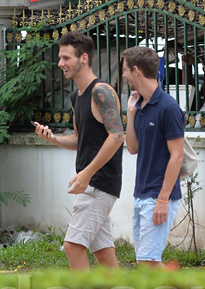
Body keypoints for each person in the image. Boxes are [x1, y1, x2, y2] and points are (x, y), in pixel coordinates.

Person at [33, 32, 124, 270]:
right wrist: (53, 139)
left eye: (66, 58)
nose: (60, 63)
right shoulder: (77, 96)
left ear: (83, 58)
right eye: (60, 58)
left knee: (73, 247)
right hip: (93, 183)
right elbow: (79, 139)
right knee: (104, 254)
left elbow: (117, 136)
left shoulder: (101, 91)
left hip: (99, 183)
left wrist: (87, 173)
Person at [123, 46, 184, 269]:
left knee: (148, 262)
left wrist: (162, 200)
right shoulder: (141, 106)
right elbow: (132, 148)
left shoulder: (169, 107)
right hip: (141, 194)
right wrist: (130, 113)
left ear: (136, 70)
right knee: (146, 262)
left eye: (125, 70)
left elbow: (176, 156)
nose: (123, 75)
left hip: (158, 196)